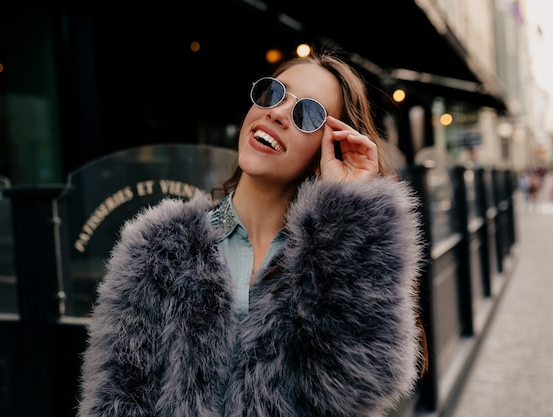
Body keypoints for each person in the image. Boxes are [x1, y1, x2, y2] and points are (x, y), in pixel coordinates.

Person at [77, 49, 428, 417]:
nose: (276, 112)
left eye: (306, 113)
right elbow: (115, 398)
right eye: (273, 93)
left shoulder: (327, 260)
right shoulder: (158, 247)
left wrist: (350, 210)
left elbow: (360, 387)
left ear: (330, 146)